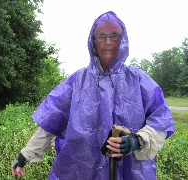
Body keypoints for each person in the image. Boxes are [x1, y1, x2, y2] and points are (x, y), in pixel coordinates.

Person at [11, 11, 175, 179]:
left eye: (114, 35)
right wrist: (24, 156)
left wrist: (137, 141)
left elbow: (161, 121)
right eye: (102, 36)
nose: (108, 42)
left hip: (129, 172)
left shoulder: (139, 80)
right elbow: (50, 122)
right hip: (80, 171)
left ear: (122, 40)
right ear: (93, 41)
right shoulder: (77, 81)